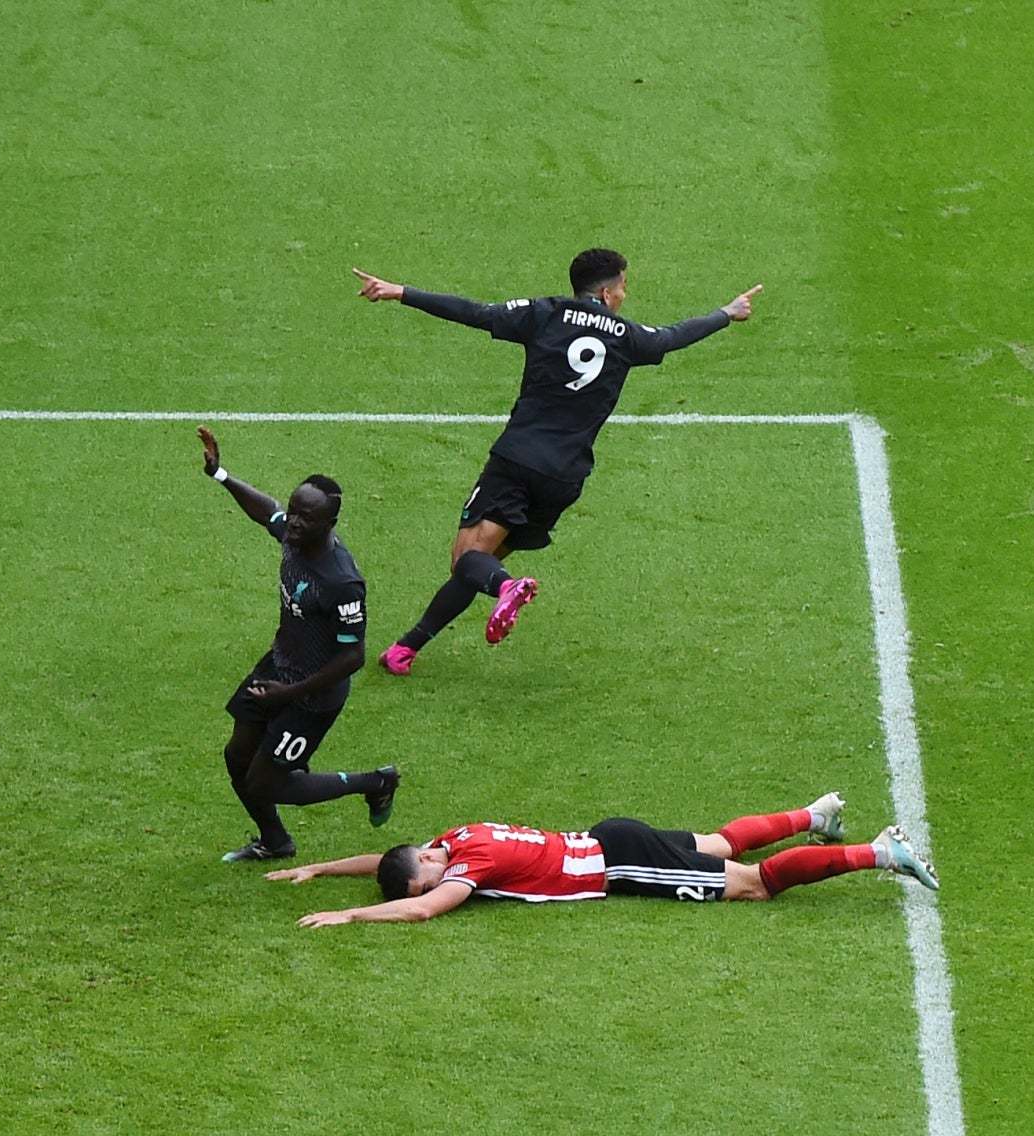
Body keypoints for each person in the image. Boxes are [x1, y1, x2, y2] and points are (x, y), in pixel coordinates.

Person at [352, 251, 763, 675]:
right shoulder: (628, 335)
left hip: (518, 459)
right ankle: (406, 649)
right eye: (623, 287)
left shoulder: (544, 313)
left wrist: (400, 292)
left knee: (468, 560)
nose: (624, 295)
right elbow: (674, 336)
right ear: (606, 292)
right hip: (566, 477)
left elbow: (474, 313)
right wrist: (726, 313)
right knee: (482, 564)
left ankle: (508, 587)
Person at [266, 792, 940, 927]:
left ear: (432, 863)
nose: (435, 880)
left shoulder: (466, 872)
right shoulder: (456, 836)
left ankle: (880, 850)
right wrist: (321, 867)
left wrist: (350, 913)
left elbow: (416, 909)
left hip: (618, 864)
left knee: (754, 886)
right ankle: (815, 815)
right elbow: (394, 866)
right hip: (610, 835)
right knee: (718, 842)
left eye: (428, 875)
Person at [198, 427, 400, 863]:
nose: (294, 522)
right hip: (277, 669)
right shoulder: (293, 537)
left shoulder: (341, 581)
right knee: (237, 757)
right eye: (294, 512)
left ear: (329, 524)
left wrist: (287, 695)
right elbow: (265, 510)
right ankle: (275, 841)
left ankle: (375, 782)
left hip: (313, 695)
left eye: (306, 517)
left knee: (267, 783)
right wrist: (221, 475)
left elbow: (353, 655)